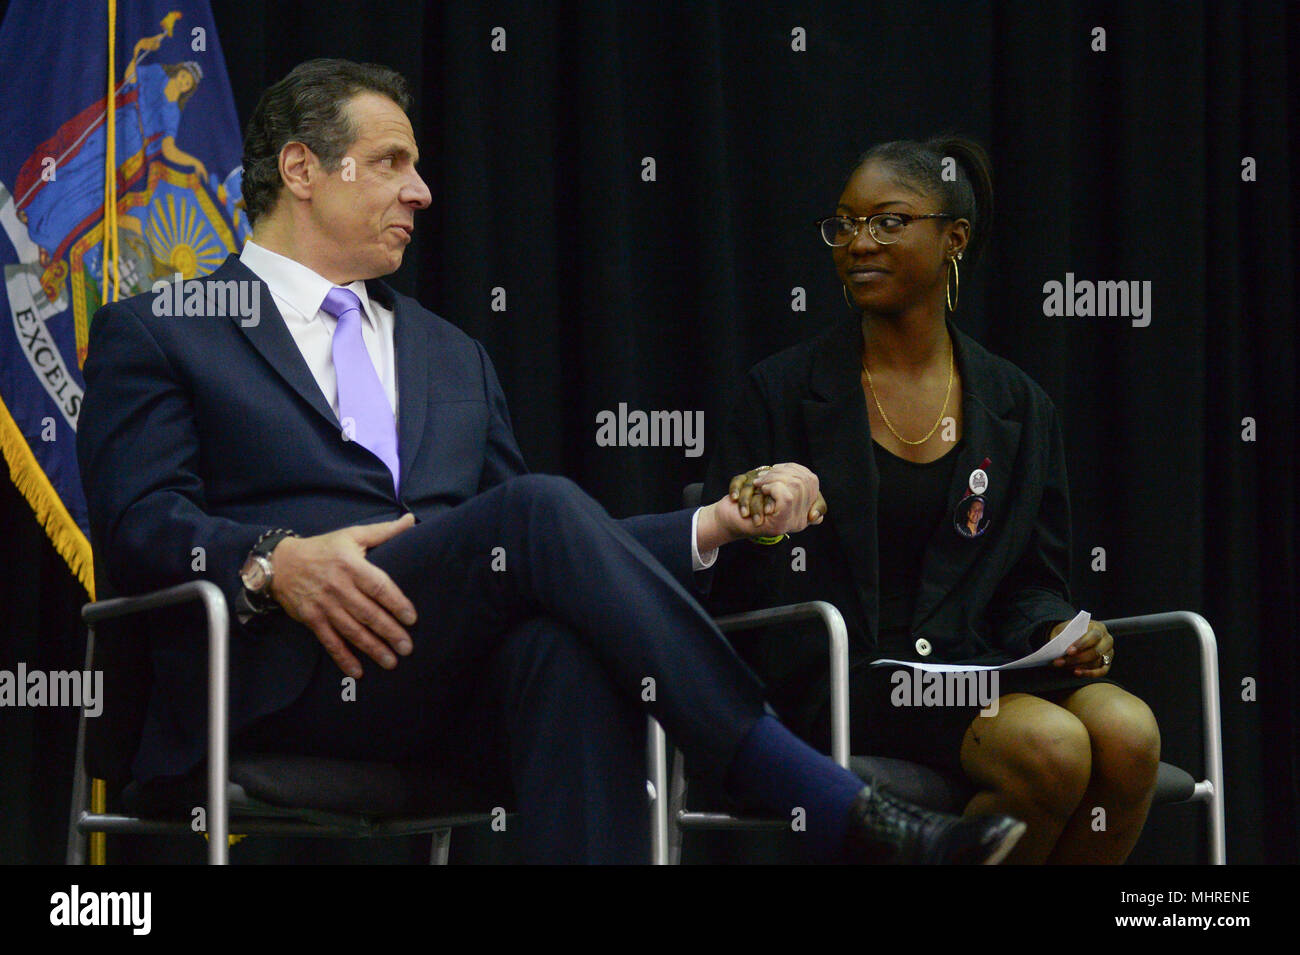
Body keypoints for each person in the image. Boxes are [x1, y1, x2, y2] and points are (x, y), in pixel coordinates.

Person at [75, 61, 1025, 864]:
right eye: (393, 162)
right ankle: (804, 787)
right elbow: (138, 523)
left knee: (563, 644)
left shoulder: (451, 356)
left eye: (420, 165)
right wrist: (272, 558)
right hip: (283, 675)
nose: (422, 190)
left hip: (441, 683)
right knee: (534, 518)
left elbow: (536, 558)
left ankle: (802, 792)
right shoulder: (163, 330)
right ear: (302, 169)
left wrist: (714, 526)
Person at [703, 137, 1161, 864]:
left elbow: (1032, 583)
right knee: (1052, 749)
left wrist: (1060, 630)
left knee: (1131, 733)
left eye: (887, 222)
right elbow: (730, 579)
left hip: (977, 668)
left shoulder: (1018, 405)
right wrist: (757, 519)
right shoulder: (782, 392)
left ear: (954, 239)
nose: (858, 242)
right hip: (847, 682)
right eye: (845, 224)